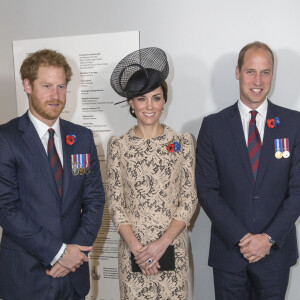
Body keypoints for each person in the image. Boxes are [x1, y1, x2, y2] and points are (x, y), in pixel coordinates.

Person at [196, 41, 300, 300]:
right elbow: (207, 191)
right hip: (229, 254)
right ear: (237, 72)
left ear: (272, 75)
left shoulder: (294, 123)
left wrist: (268, 239)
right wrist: (243, 238)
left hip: (274, 254)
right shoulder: (213, 126)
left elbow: (298, 190)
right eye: (250, 71)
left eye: (265, 72)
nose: (258, 80)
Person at [0, 49, 105, 300]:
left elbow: (94, 199)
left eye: (61, 86)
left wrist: (74, 255)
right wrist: (59, 253)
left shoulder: (82, 138)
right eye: (46, 86)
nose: (55, 96)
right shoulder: (6, 138)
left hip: (73, 279)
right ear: (27, 85)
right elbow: (6, 208)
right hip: (26, 278)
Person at [107, 47, 197, 299]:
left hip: (172, 248)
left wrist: (161, 244)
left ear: (164, 101)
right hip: (132, 252)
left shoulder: (182, 142)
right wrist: (138, 250)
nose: (149, 106)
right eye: (142, 99)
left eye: (156, 98)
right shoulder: (119, 145)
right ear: (131, 103)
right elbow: (115, 204)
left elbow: (189, 199)